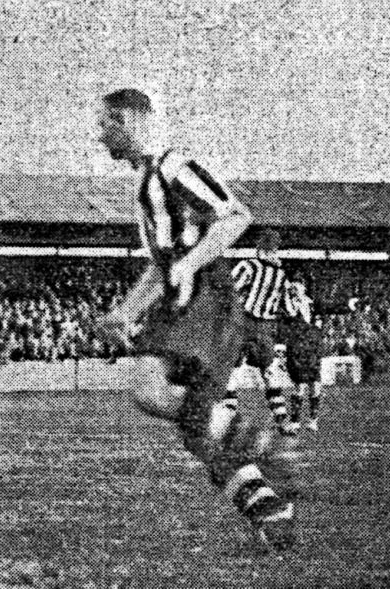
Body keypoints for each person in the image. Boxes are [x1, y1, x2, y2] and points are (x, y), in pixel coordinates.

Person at [93, 87, 295, 551]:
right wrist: (124, 311)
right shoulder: (145, 185)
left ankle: (239, 432)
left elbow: (236, 215)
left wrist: (191, 263)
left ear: (126, 121)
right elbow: (159, 267)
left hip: (207, 296)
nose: (99, 137)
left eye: (104, 125)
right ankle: (265, 502)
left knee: (152, 389)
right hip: (181, 299)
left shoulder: (172, 166)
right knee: (188, 421)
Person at [226, 229, 294, 435]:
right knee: (269, 373)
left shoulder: (248, 265)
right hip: (265, 328)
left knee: (232, 370)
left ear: (258, 248)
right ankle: (282, 420)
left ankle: (228, 418)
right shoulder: (282, 276)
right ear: (275, 249)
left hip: (243, 323)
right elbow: (290, 310)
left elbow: (228, 291)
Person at [280, 275, 323, 432]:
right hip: (297, 348)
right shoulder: (288, 304)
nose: (294, 290)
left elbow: (318, 324)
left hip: (311, 348)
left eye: (297, 287)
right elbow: (290, 316)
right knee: (299, 385)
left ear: (304, 288)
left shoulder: (313, 305)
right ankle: (295, 421)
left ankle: (313, 420)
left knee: (315, 384)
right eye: (292, 288)